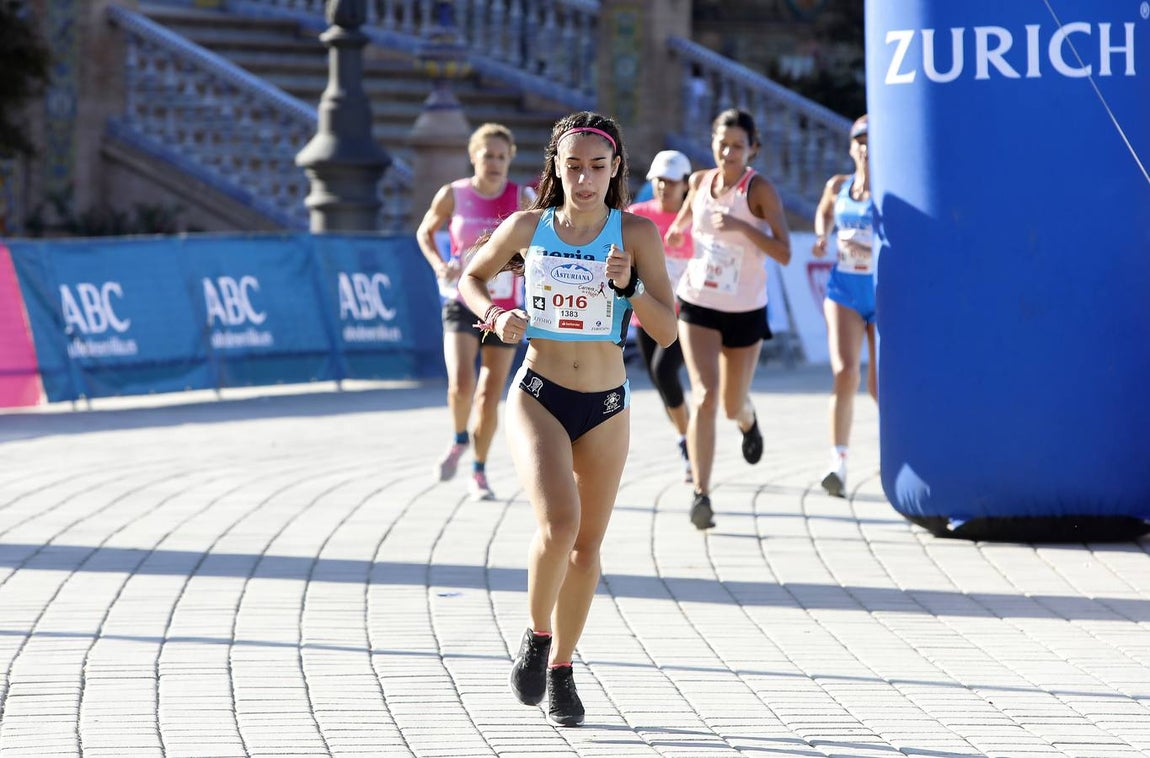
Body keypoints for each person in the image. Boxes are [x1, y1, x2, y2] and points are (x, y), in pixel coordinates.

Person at [459, 112, 677, 727]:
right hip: (538, 392)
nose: (584, 179)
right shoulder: (529, 227)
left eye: (597, 167)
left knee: (586, 550)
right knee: (559, 524)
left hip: (607, 405)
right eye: (573, 165)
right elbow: (472, 279)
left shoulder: (635, 235)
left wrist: (631, 287)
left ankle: (562, 668)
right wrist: (494, 318)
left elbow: (668, 330)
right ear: (555, 167)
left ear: (615, 171)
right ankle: (536, 634)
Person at [665, 108, 792, 530]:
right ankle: (701, 493)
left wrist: (742, 225)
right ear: (712, 143)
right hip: (698, 302)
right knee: (704, 395)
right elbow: (682, 221)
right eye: (722, 143)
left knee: (731, 403)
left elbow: (784, 252)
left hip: (745, 310)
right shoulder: (700, 181)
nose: (728, 152)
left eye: (738, 145)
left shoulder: (759, 190)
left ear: (752, 148)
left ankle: (748, 420)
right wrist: (677, 233)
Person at [416, 123, 532, 502]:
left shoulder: (522, 196)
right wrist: (438, 263)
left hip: (504, 308)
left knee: (488, 394)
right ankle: (458, 437)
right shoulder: (454, 194)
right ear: (473, 156)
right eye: (488, 156)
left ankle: (479, 471)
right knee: (460, 385)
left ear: (510, 158)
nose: (495, 163)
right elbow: (425, 232)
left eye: (502, 156)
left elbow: (540, 240)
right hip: (462, 299)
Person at [811, 114, 876, 497]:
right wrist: (822, 235)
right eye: (860, 142)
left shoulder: (890, 186)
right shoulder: (839, 185)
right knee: (845, 373)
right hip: (845, 292)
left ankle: (899, 453)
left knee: (880, 385)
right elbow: (824, 211)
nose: (866, 149)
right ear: (851, 147)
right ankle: (838, 461)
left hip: (882, 292)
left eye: (872, 142)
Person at [627, 150, 695, 482]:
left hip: (688, 316)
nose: (664, 188)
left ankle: (689, 444)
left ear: (685, 185)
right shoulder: (638, 216)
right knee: (662, 384)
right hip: (647, 313)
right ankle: (687, 438)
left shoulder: (697, 220)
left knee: (663, 371)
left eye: (671, 183)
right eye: (658, 182)